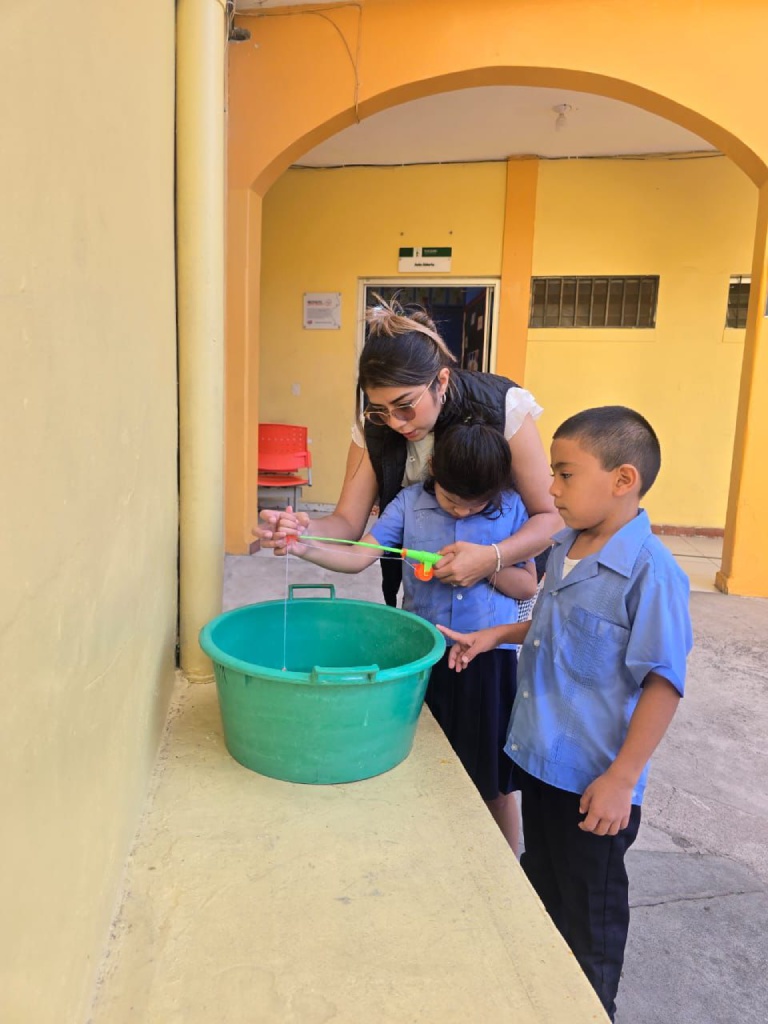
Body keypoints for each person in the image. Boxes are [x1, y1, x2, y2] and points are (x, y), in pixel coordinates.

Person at [438, 406, 693, 1022]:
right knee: (543, 888)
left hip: (593, 786)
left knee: (589, 917)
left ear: (623, 479)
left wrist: (621, 780)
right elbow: (547, 626)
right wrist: (494, 634)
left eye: (565, 473)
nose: (550, 489)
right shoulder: (564, 545)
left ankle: (589, 1010)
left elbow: (664, 682)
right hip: (539, 758)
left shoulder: (651, 573)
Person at [280, 424, 537, 852]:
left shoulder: (510, 509)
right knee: (418, 763)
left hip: (488, 662)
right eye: (452, 501)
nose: (459, 513)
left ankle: (509, 865)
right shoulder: (409, 504)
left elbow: (527, 586)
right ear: (433, 469)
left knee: (492, 781)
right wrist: (304, 545)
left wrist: (484, 566)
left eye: (475, 507)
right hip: (423, 656)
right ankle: (425, 851)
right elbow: (359, 555)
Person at [255, 295, 560, 606]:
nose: (395, 423)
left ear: (441, 382)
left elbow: (551, 516)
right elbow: (348, 522)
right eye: (380, 409)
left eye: (405, 406)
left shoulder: (501, 405)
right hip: (429, 598)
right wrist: (305, 530)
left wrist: (491, 559)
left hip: (501, 598)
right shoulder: (373, 429)